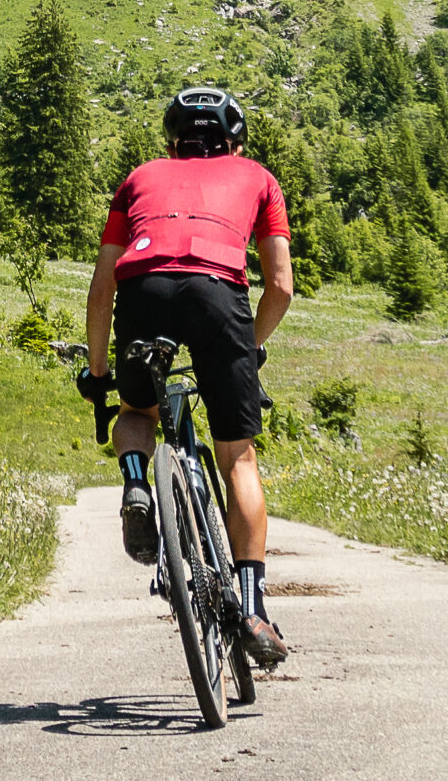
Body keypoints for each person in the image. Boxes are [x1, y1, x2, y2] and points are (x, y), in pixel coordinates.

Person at [80, 86, 296, 666]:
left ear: (174, 141)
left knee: (135, 413)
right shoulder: (259, 178)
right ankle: (250, 608)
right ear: (235, 139)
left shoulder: (138, 177)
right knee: (238, 459)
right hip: (217, 295)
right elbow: (279, 287)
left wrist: (99, 371)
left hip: (143, 289)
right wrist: (246, 347)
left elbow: (103, 289)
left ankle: (135, 483)